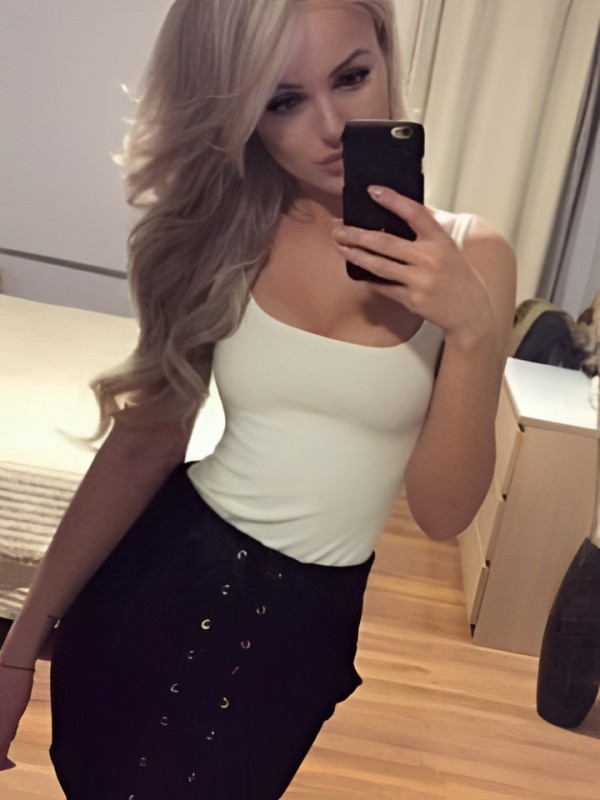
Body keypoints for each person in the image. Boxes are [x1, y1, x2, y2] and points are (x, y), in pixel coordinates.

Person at [0, 0, 516, 797]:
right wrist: (16, 651)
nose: (332, 126)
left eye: (352, 77)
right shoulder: (222, 234)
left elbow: (444, 514)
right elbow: (143, 443)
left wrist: (475, 330)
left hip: (303, 631)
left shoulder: (473, 255)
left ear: (386, 53)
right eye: (283, 100)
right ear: (242, 114)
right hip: (160, 581)